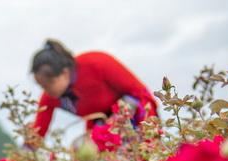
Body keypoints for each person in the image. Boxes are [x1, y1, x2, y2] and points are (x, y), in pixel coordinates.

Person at [29, 40, 158, 139]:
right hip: (103, 129)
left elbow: (139, 92)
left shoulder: (96, 63)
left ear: (65, 72)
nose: (47, 90)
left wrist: (118, 120)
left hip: (136, 113)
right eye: (42, 86)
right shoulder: (50, 97)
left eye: (50, 83)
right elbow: (37, 133)